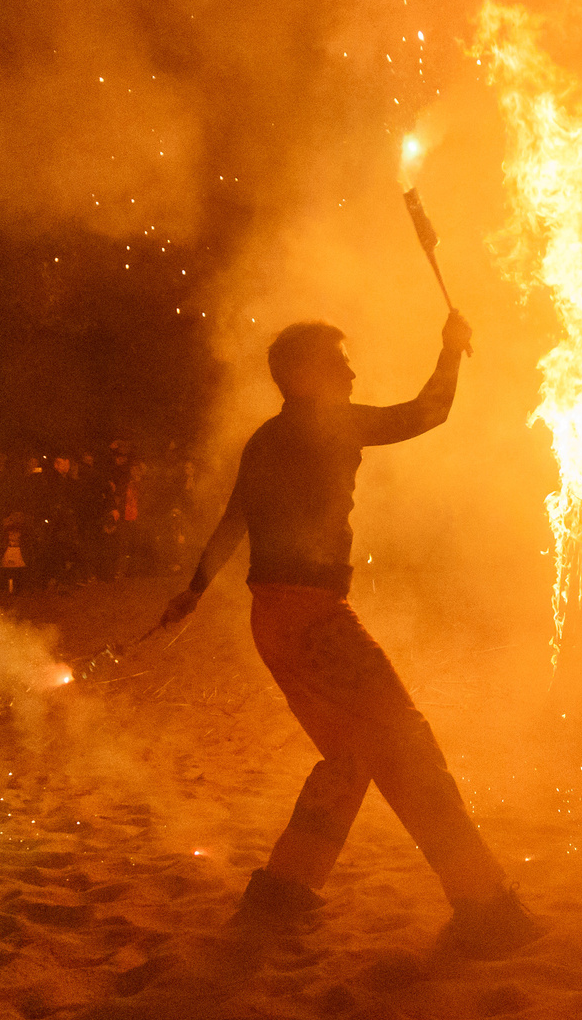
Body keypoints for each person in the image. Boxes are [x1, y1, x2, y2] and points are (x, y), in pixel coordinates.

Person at [160, 311, 539, 957]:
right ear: (305, 375)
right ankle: (482, 901)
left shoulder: (266, 437)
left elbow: (233, 520)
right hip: (313, 620)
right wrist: (449, 350)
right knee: (407, 742)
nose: (352, 371)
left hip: (272, 619)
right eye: (339, 362)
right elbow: (428, 411)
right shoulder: (332, 422)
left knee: (351, 754)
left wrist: (194, 588)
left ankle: (284, 890)